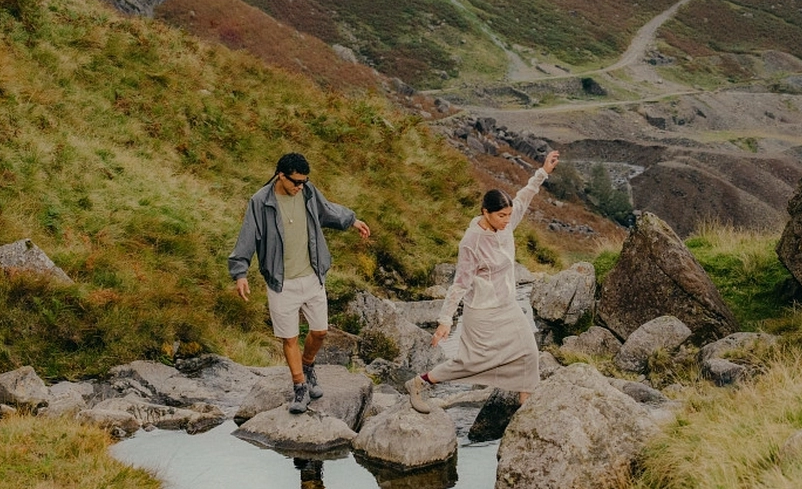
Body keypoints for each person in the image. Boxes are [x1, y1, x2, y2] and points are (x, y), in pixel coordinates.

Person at [407, 149, 560, 413]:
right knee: (471, 363)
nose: (507, 221)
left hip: (508, 306)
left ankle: (527, 410)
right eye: (501, 216)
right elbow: (460, 283)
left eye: (509, 215)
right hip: (482, 312)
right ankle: (419, 382)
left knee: (529, 354)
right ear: (485, 212)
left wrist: (543, 171)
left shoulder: (507, 222)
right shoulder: (472, 242)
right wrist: (445, 321)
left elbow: (525, 194)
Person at [230, 152, 370, 413]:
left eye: (304, 181)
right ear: (281, 175)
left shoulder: (307, 192)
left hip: (312, 276)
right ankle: (300, 387)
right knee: (290, 337)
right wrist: (240, 273)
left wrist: (352, 220)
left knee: (320, 332)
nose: (300, 186)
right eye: (296, 182)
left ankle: (308, 365)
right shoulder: (261, 202)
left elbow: (327, 210)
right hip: (281, 283)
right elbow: (247, 236)